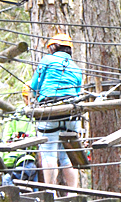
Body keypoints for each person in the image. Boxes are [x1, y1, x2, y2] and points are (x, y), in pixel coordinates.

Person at [30, 33, 83, 187]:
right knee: (67, 156)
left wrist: (35, 96)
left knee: (49, 153)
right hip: (71, 112)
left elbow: (34, 86)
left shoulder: (47, 60)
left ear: (54, 47)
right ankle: (73, 193)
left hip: (49, 110)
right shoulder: (76, 68)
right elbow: (77, 91)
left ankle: (51, 193)